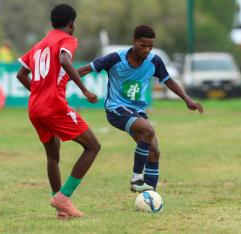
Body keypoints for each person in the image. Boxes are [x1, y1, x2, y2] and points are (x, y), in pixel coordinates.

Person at [78, 25, 203, 193]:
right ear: (135, 42)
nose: (147, 50)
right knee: (148, 130)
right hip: (116, 109)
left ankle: (149, 196)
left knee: (154, 151)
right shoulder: (115, 58)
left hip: (138, 111)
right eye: (143, 45)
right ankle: (136, 178)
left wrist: (187, 99)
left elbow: (168, 81)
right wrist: (63, 81)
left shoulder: (154, 61)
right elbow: (85, 70)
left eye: (150, 46)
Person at [16, 4, 101, 219]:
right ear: (72, 24)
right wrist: (84, 90)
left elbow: (20, 75)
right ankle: (64, 197)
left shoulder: (39, 45)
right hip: (53, 106)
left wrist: (38, 93)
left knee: (52, 157)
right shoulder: (67, 40)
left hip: (35, 108)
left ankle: (60, 207)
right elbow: (64, 59)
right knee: (93, 147)